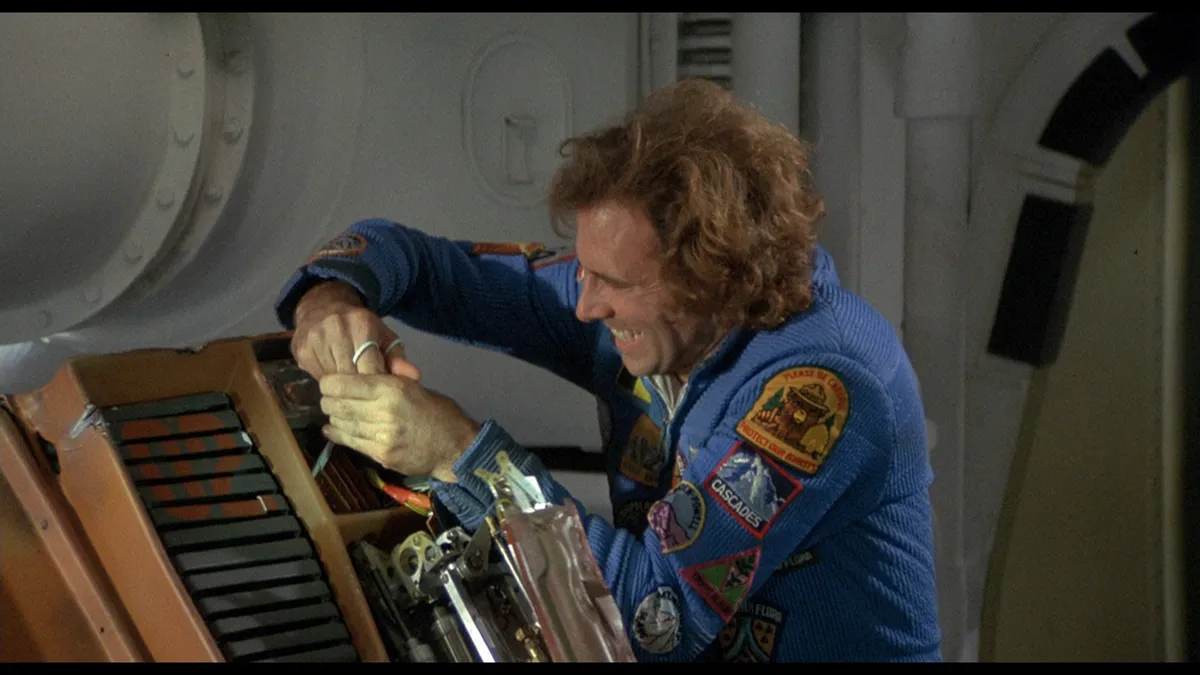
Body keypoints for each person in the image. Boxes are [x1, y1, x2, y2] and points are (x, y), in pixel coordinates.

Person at [273, 78, 942, 662]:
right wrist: (329, 300)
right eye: (585, 269)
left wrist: (458, 451)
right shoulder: (643, 304)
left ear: (711, 274)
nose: (586, 305)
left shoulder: (821, 389)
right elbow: (420, 262)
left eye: (614, 282)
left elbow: (655, 622)